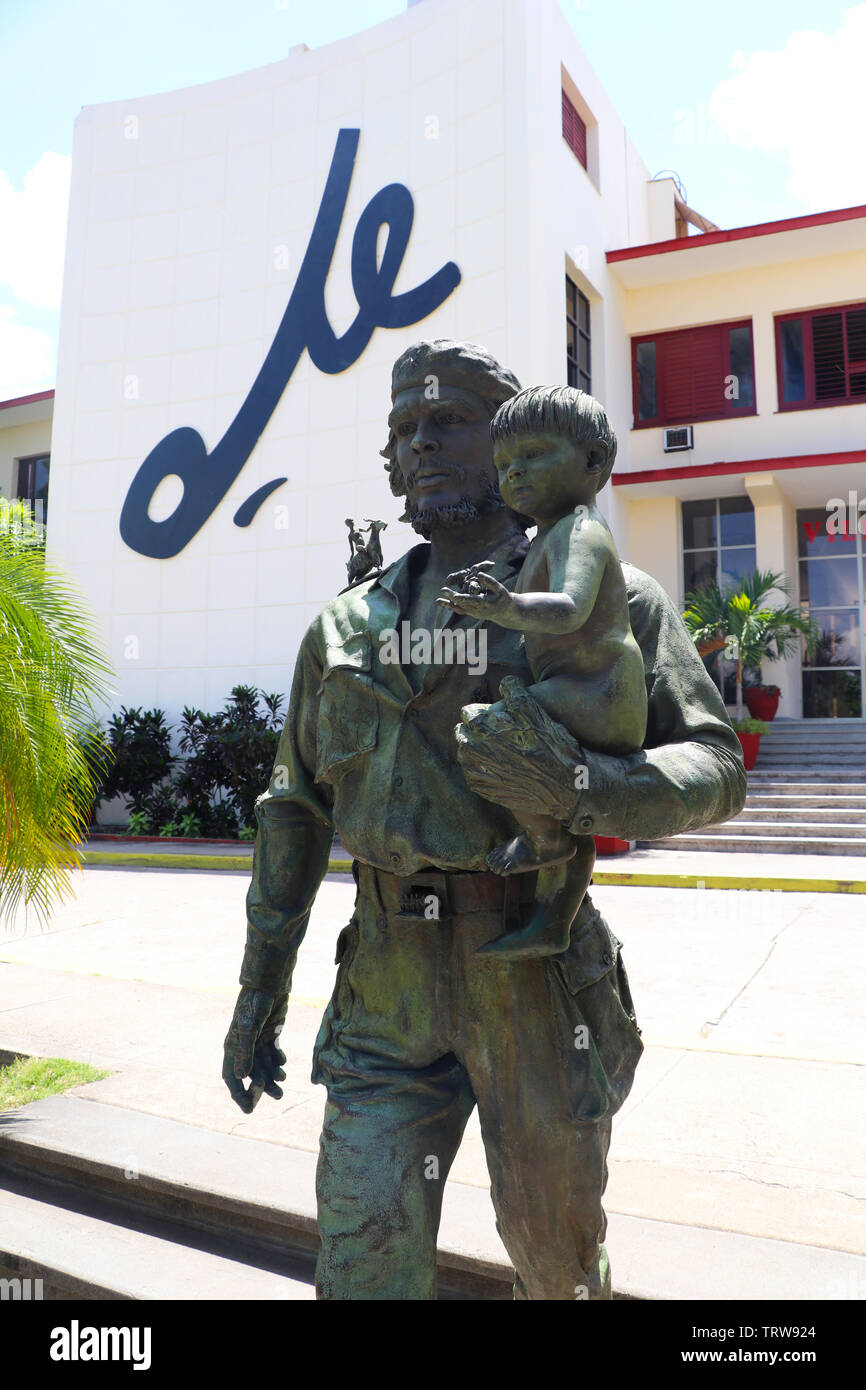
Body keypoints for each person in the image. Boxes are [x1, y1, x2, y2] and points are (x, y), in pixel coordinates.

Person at [222, 339, 746, 1300]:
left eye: (448, 422)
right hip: (384, 981)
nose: (420, 445)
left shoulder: (606, 599)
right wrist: (260, 993)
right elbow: (292, 814)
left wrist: (585, 789)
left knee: (556, 1264)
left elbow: (714, 765)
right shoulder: (343, 627)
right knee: (363, 1259)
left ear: (512, 446)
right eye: (404, 430)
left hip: (533, 975)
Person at [438, 384, 646, 958]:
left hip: (600, 691)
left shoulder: (580, 529)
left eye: (533, 455)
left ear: (594, 462)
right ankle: (553, 923)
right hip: (581, 690)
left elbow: (572, 607)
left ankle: (545, 840)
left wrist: (504, 607)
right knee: (558, 796)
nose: (515, 473)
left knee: (485, 730)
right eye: (505, 465)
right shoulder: (545, 538)